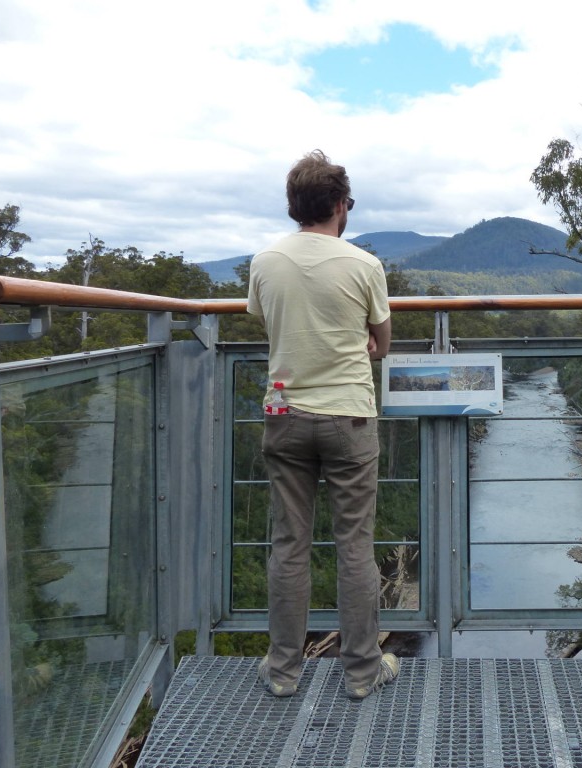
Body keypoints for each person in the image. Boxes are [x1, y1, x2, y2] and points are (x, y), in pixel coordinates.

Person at [247, 149, 397, 700]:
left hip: (285, 414)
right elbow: (380, 343)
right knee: (354, 545)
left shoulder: (264, 262)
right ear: (339, 205)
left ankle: (284, 671)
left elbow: (266, 321)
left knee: (290, 544)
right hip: (349, 418)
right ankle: (361, 672)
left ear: (295, 207)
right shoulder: (364, 265)